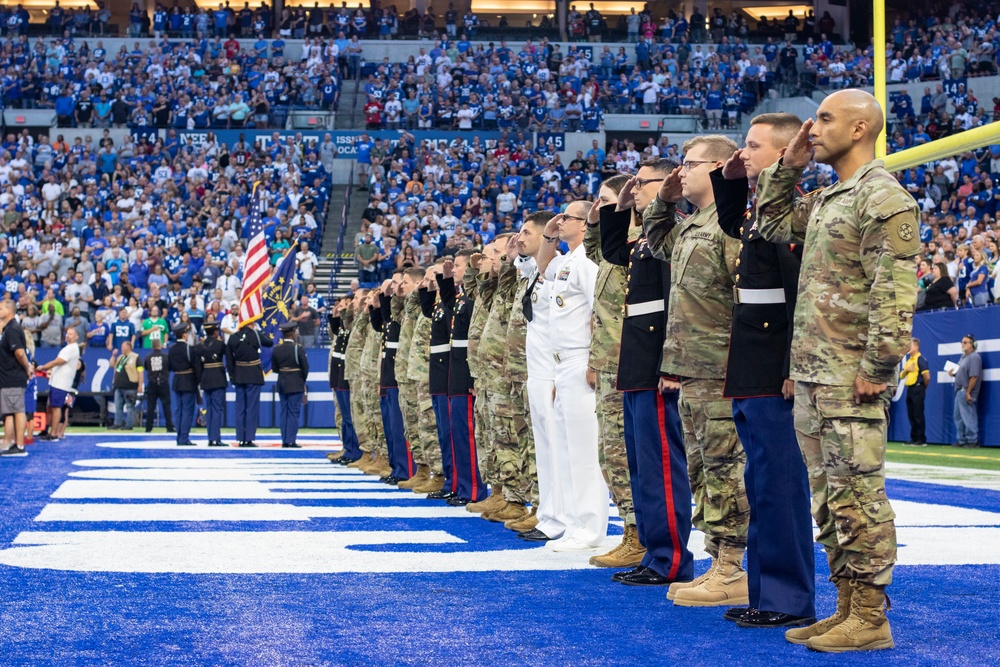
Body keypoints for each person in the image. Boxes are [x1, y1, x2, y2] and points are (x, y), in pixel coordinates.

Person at [757, 89, 920, 652]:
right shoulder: (830, 197)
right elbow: (773, 222)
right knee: (828, 499)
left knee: (859, 496)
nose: (813, 127)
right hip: (813, 374)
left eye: (825, 119)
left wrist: (878, 365)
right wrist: (790, 165)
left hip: (851, 376)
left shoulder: (882, 197)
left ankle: (872, 617)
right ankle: (847, 607)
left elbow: (894, 293)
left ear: (859, 129)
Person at [710, 112, 816, 628]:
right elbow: (735, 225)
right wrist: (728, 179)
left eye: (753, 146)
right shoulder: (759, 212)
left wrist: (794, 366)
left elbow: (800, 297)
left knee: (779, 485)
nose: (742, 153)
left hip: (775, 366)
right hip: (752, 364)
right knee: (761, 483)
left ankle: (787, 598)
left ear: (783, 153)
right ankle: (766, 591)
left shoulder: (792, 214)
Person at [643, 136, 747, 608]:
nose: (679, 171)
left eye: (689, 163)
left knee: (728, 470)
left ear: (721, 167)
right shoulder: (691, 226)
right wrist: (662, 202)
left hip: (722, 364)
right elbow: (656, 241)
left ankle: (734, 565)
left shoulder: (730, 223)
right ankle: (717, 560)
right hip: (690, 367)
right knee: (704, 470)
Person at [601, 162, 694, 587]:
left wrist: (669, 363)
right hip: (637, 361)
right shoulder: (643, 240)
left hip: (657, 361)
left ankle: (670, 558)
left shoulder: (672, 232)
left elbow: (677, 302)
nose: (635, 188)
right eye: (633, 183)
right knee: (641, 466)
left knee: (660, 466)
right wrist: (620, 206)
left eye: (643, 183)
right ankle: (654, 551)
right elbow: (614, 252)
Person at [536, 201, 607, 552]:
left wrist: (594, 362)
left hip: (581, 359)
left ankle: (591, 528)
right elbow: (543, 267)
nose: (561, 221)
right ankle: (575, 523)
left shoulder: (588, 262)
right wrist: (548, 235)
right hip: (561, 362)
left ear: (585, 225)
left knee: (583, 450)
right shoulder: (566, 261)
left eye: (568, 218)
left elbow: (601, 309)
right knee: (566, 449)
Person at [582, 174, 642, 569]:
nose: (601, 207)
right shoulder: (611, 248)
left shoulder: (639, 242)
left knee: (626, 454)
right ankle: (629, 529)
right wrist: (592, 222)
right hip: (607, 362)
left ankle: (639, 532)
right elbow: (593, 250)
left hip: (628, 361)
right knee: (610, 454)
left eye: (607, 201)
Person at [226, 320, 273, 448]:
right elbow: (269, 343)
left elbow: (229, 360)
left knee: (240, 408)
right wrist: (261, 333)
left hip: (239, 374)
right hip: (253, 374)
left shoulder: (233, 337)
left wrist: (232, 376)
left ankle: (241, 438)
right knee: (251, 408)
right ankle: (249, 438)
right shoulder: (256, 335)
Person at [0, 299, 33, 456]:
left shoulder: (12, 329)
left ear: (9, 310)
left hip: (12, 376)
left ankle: (19, 446)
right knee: (10, 412)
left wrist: (27, 367)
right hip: (8, 377)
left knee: (17, 411)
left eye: (0, 308)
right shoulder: (8, 328)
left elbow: (19, 353)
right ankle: (11, 443)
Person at [37, 327, 80, 441]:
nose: (67, 335)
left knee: (56, 408)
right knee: (53, 407)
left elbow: (59, 361)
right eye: (67, 333)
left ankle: (54, 433)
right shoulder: (69, 348)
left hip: (61, 383)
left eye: (70, 334)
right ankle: (52, 431)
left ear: (76, 337)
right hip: (58, 382)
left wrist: (44, 366)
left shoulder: (71, 348)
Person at [271, 321, 309, 448]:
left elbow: (275, 368)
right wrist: (301, 380)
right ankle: (290, 440)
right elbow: (305, 368)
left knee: (284, 412)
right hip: (295, 383)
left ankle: (284, 440)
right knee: (293, 413)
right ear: (292, 333)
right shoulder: (298, 348)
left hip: (282, 382)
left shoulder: (277, 349)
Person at [195, 322, 228, 447]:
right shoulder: (220, 345)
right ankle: (216, 438)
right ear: (215, 332)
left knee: (209, 409)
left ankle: (211, 438)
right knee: (217, 410)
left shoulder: (199, 347)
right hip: (218, 379)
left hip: (206, 379)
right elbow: (229, 358)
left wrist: (201, 378)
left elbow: (197, 366)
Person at [168, 323, 199, 446]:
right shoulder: (189, 349)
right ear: (185, 335)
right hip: (188, 380)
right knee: (187, 411)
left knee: (178, 410)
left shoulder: (172, 349)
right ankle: (184, 438)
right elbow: (195, 366)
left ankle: (179, 436)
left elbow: (169, 366)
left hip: (177, 380)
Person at [949, 335, 982, 448]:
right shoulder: (963, 357)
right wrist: (953, 373)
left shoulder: (974, 357)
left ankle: (972, 440)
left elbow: (974, 376)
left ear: (972, 345)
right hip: (959, 391)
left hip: (965, 391)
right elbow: (960, 372)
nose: (963, 345)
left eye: (965, 342)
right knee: (958, 417)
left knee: (968, 416)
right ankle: (962, 440)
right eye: (962, 342)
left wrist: (968, 392)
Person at [901, 338, 930, 446]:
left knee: (918, 414)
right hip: (910, 388)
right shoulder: (909, 360)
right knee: (911, 414)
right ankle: (913, 438)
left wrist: (922, 387)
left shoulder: (920, 359)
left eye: (911, 345)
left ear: (916, 347)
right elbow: (901, 375)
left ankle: (921, 439)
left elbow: (927, 376)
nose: (908, 348)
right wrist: (906, 370)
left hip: (918, 388)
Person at [142, 338, 175, 433]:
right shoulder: (165, 357)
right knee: (166, 406)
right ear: (160, 345)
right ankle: (169, 427)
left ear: (152, 345)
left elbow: (147, 368)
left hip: (152, 383)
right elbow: (170, 368)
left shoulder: (148, 357)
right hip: (163, 382)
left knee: (151, 406)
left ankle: (148, 427)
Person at [110, 341, 143, 430]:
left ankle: (129, 424)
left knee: (130, 406)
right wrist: (113, 356)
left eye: (123, 346)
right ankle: (117, 423)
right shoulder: (120, 357)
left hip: (130, 386)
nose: (121, 348)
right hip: (118, 386)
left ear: (128, 347)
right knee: (118, 406)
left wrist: (140, 385)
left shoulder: (136, 357)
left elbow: (140, 372)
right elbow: (112, 365)